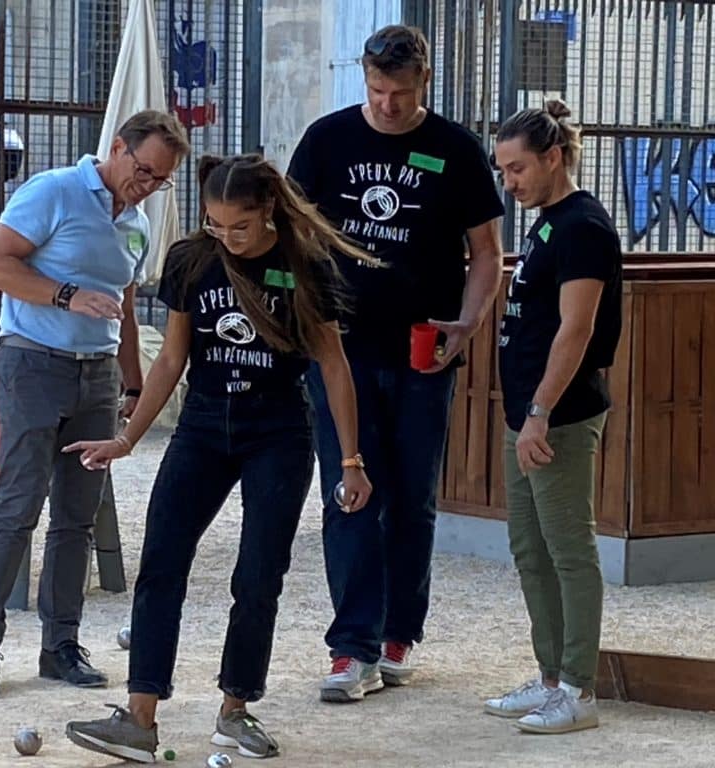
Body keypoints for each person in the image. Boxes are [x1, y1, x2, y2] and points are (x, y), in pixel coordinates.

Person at [63, 154, 374, 763]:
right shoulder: (192, 259)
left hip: (277, 430)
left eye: (239, 226)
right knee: (161, 564)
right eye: (214, 223)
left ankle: (236, 709)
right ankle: (140, 715)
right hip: (204, 425)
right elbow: (171, 359)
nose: (226, 237)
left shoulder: (304, 264)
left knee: (259, 574)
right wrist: (128, 437)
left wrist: (352, 460)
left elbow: (333, 367)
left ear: (269, 215)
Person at [287, 24, 504, 698]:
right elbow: (288, 234)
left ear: (425, 82)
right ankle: (350, 648)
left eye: (400, 93)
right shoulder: (326, 139)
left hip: (423, 354)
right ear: (365, 80)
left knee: (412, 496)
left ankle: (397, 631)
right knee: (351, 489)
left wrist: (466, 326)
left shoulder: (455, 149)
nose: (386, 105)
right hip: (340, 351)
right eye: (377, 90)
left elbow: (487, 254)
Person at [0, 109, 190, 698]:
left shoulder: (136, 223)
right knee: (17, 508)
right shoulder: (55, 190)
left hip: (97, 377)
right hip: (34, 362)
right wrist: (65, 295)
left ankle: (61, 644)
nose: (147, 185)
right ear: (117, 148)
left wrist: (133, 385)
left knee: (77, 519)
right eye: (143, 170)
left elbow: (125, 308)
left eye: (160, 179)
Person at [484, 101, 622, 734]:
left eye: (517, 169)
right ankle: (549, 679)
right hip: (527, 414)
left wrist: (540, 411)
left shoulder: (582, 226)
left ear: (553, 158)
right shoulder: (544, 224)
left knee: (568, 551)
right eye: (502, 171)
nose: (508, 183)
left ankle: (579, 689)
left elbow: (577, 328)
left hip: (559, 416)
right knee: (529, 550)